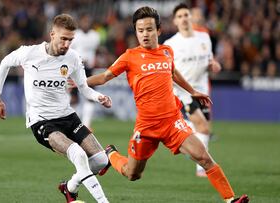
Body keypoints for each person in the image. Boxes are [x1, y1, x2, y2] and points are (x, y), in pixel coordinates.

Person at [86, 6, 249, 203]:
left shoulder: (167, 51)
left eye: (149, 29)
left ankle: (231, 199)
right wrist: (79, 82)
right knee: (132, 173)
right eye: (140, 31)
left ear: (159, 30)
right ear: (136, 32)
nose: (144, 34)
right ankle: (111, 154)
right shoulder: (129, 56)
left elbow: (173, 73)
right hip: (146, 127)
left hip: (173, 122)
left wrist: (192, 91)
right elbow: (104, 77)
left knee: (204, 157)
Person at [0, 14, 111, 203]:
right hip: (42, 121)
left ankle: (69, 188)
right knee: (79, 154)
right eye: (63, 39)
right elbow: (5, 63)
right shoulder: (29, 53)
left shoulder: (72, 58)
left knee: (101, 161)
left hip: (67, 116)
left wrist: (99, 97)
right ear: (52, 34)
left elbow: (84, 89)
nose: (66, 44)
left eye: (70, 40)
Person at [164, 3, 222, 177]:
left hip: (202, 91)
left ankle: (178, 136)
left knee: (202, 129)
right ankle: (202, 168)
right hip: (183, 93)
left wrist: (215, 66)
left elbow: (210, 62)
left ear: (191, 17)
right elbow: (168, 71)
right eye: (180, 16)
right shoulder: (170, 44)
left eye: (186, 15)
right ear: (175, 21)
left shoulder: (204, 37)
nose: (183, 19)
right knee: (203, 128)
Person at [70, 13, 101, 129]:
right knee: (74, 97)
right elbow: (69, 52)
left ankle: (87, 125)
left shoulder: (95, 36)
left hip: (89, 69)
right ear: (80, 22)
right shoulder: (75, 35)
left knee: (90, 96)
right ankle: (73, 124)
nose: (86, 23)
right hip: (76, 69)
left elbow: (96, 51)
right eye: (84, 21)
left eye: (88, 21)